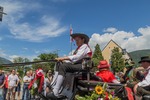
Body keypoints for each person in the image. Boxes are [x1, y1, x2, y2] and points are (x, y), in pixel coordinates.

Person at [46, 33, 92, 99]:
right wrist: (63, 61)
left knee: (64, 66)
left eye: (78, 40)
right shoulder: (79, 48)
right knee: (60, 64)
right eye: (75, 41)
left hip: (83, 66)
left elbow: (77, 57)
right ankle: (53, 86)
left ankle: (55, 91)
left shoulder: (84, 46)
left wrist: (63, 58)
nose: (76, 42)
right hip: (77, 65)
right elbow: (73, 61)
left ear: (83, 39)